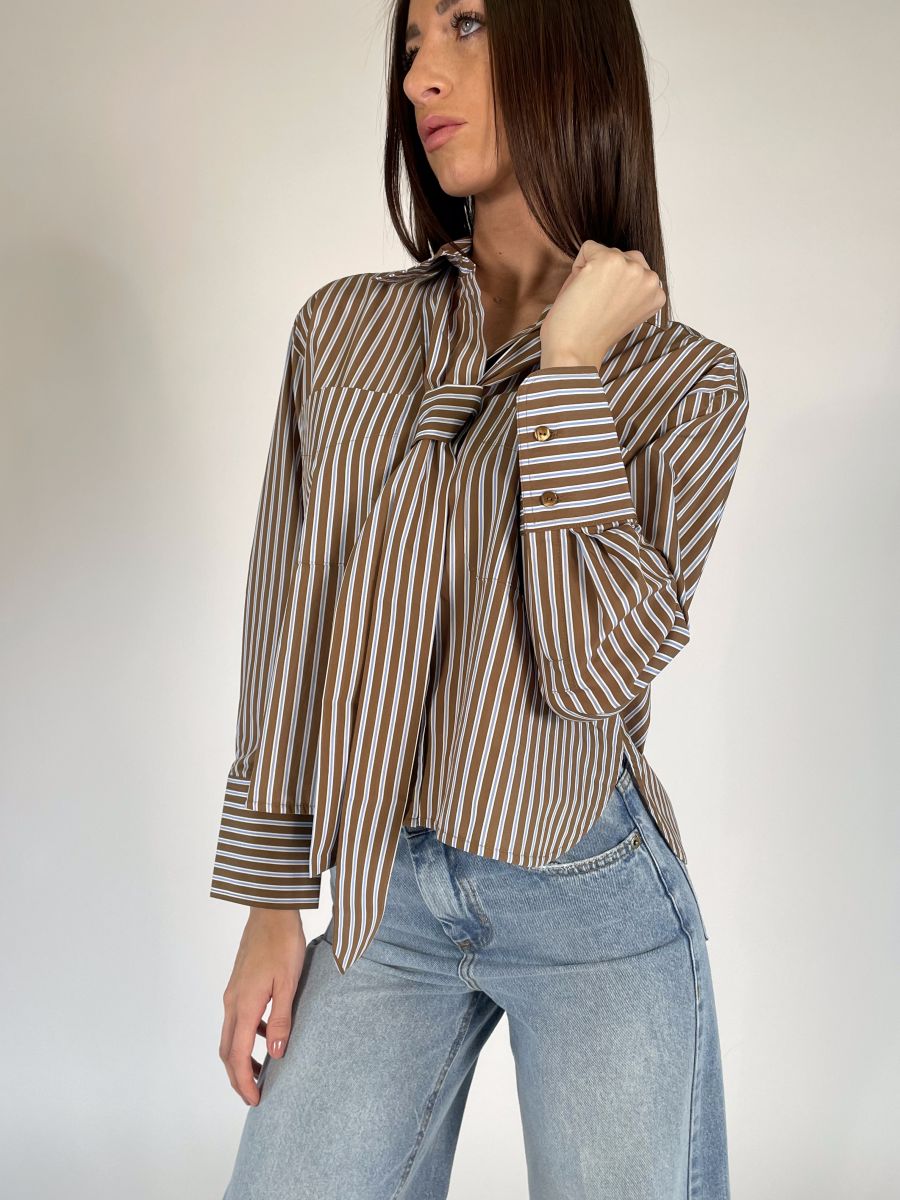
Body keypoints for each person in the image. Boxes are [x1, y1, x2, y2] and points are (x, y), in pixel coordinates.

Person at [212, 1, 749, 1196]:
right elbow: (286, 627)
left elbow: (593, 668)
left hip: (590, 891)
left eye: (466, 24)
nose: (420, 76)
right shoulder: (344, 334)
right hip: (388, 894)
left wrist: (567, 371)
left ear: (571, 50)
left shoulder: (688, 386)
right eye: (412, 42)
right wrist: (269, 899)